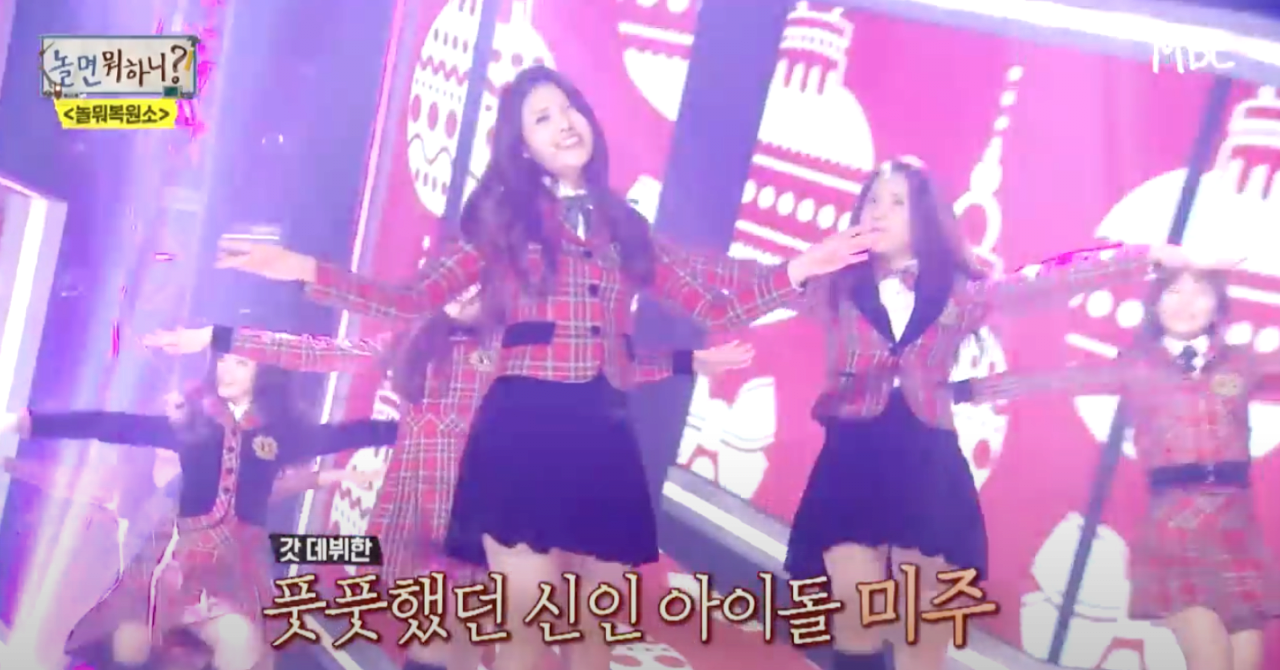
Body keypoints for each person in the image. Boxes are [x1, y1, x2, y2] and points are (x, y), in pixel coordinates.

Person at [210, 64, 863, 670]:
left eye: (570, 107)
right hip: (522, 428)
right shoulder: (503, 225)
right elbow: (409, 298)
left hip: (603, 433)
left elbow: (712, 300)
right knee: (524, 625)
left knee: (592, 629)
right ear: (521, 147)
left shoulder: (624, 225)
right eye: (542, 117)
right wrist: (306, 270)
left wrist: (800, 268)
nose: (565, 122)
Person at [780, 157, 1242, 670]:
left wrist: (1150, 255)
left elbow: (1048, 278)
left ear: (926, 218)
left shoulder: (959, 292)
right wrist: (805, 265)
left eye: (897, 202)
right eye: (872, 199)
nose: (879, 211)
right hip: (851, 458)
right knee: (855, 609)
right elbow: (761, 286)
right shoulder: (837, 285)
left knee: (921, 622)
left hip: (924, 462)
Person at [143, 288, 755, 670]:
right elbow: (319, 351)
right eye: (458, 281)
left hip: (490, 506)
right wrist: (219, 337)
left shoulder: (519, 346)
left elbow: (607, 363)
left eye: (482, 281)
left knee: (462, 637)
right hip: (420, 508)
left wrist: (687, 362)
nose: (468, 292)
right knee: (436, 636)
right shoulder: (413, 343)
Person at [952, 268, 1278, 670]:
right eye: (1173, 290)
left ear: (1218, 305)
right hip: (1175, 532)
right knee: (1211, 661)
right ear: (1155, 303)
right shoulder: (1137, 365)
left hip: (1235, 533)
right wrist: (969, 388)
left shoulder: (1242, 362)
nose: (1185, 303)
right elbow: (1058, 380)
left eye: (1200, 292)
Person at [0, 351, 403, 670]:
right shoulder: (162, 457)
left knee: (245, 646)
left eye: (241, 363)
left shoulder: (258, 441)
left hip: (229, 576)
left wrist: (395, 438)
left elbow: (323, 446)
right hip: (164, 583)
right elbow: (105, 427)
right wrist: (20, 428)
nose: (227, 369)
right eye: (224, 361)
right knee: (130, 647)